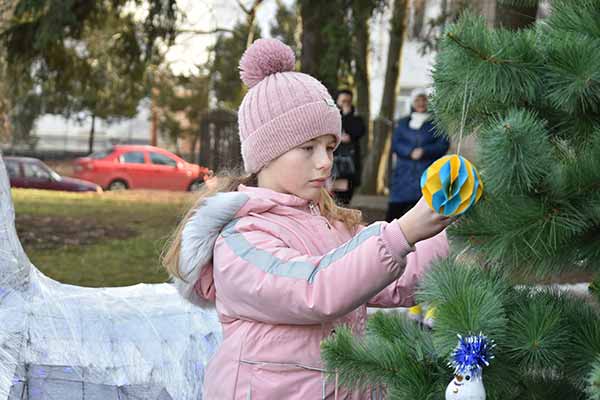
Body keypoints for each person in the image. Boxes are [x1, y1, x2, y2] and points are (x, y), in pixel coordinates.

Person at [163, 39, 451, 400]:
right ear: (265, 154)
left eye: (330, 147)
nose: (326, 162)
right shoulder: (241, 238)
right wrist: (402, 233)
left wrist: (460, 235)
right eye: (308, 148)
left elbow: (394, 278)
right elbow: (315, 288)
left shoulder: (330, 223)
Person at [386, 88, 450, 222]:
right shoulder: (402, 123)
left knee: (423, 212)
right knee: (394, 212)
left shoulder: (436, 123)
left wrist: (424, 151)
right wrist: (409, 151)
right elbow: (396, 143)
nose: (421, 103)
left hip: (427, 172)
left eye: (423, 100)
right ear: (412, 103)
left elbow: (443, 144)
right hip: (403, 174)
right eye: (417, 100)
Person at [332, 89, 365, 206]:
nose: (346, 104)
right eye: (343, 101)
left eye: (348, 101)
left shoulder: (356, 118)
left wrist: (347, 115)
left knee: (345, 199)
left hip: (349, 163)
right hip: (334, 162)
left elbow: (358, 131)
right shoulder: (331, 116)